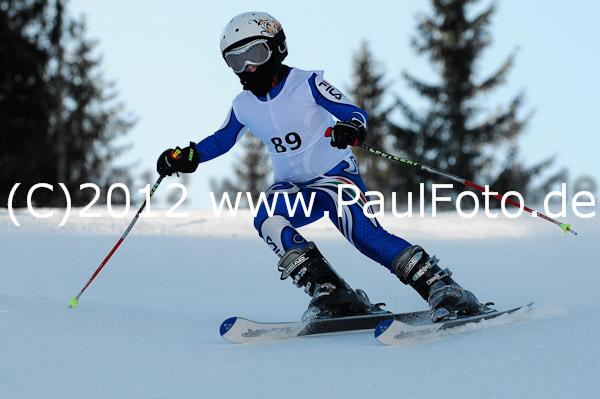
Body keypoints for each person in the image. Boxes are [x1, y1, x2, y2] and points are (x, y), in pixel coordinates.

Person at [157, 11, 487, 322]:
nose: (248, 67)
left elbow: (353, 112)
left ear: (277, 48)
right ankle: (331, 291)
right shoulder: (243, 106)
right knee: (267, 219)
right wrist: (186, 156)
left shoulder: (306, 83)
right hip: (293, 188)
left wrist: (352, 127)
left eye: (255, 54)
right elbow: (221, 140)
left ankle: (442, 288)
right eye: (235, 60)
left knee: (364, 236)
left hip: (335, 179)